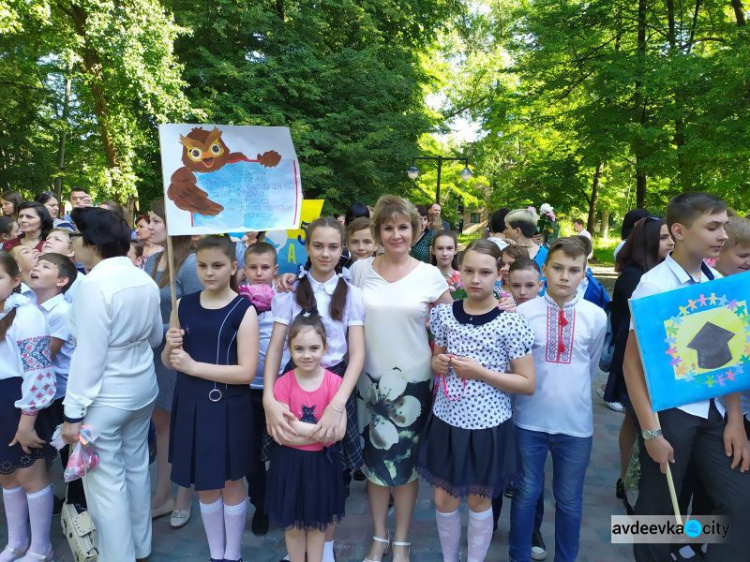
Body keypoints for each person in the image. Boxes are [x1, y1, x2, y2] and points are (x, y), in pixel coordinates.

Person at [623, 193, 750, 562]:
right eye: (713, 227)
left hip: (714, 413)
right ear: (678, 231)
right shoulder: (654, 285)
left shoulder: (714, 278)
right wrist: (651, 433)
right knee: (658, 514)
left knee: (740, 501)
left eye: (725, 225)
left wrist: (735, 420)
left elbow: (726, 354)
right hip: (670, 416)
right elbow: (632, 366)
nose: (723, 235)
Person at [417, 239, 536, 562]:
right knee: (443, 500)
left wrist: (481, 372)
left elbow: (527, 383)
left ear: (500, 274)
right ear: (459, 270)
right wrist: (437, 364)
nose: (475, 279)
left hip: (488, 425)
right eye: (468, 270)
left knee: (479, 501)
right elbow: (436, 360)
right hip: (446, 421)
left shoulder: (510, 322)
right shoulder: (444, 315)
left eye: (485, 272)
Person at [349, 195, 452, 562]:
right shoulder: (360, 270)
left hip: (413, 385)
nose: (396, 234)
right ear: (377, 232)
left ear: (416, 229)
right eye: (388, 227)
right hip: (368, 383)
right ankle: (379, 536)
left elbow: (452, 323)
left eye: (403, 227)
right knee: (374, 466)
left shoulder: (429, 274)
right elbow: (328, 296)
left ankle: (403, 540)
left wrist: (503, 302)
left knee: (404, 467)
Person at [60, 207, 162, 561]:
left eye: (75, 236)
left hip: (106, 395)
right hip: (142, 387)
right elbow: (154, 336)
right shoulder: (142, 278)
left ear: (92, 242)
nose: (73, 243)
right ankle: (140, 546)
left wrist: (72, 412)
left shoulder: (93, 285)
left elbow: (88, 356)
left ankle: (117, 555)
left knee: (105, 482)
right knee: (135, 468)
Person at [265, 217, 365, 562]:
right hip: (296, 380)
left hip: (336, 383)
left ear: (343, 250)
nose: (325, 253)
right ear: (307, 248)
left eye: (333, 247)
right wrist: (268, 398)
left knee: (331, 467)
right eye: (318, 246)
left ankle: (324, 549)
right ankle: (298, 552)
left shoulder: (351, 294)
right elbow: (277, 347)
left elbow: (358, 353)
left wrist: (338, 403)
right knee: (294, 452)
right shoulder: (291, 291)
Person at [509, 237, 607, 562]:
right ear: (545, 270)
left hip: (575, 425)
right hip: (528, 420)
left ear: (584, 274)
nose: (565, 276)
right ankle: (518, 555)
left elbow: (590, 365)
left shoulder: (595, 316)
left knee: (569, 500)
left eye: (574, 270)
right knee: (525, 494)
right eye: (558, 267)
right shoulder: (524, 313)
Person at [162, 235, 259, 562]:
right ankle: (216, 554)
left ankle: (233, 554)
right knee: (205, 482)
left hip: (228, 406)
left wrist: (193, 366)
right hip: (190, 404)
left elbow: (246, 372)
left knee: (231, 481)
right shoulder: (182, 304)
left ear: (234, 267)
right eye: (202, 265)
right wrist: (169, 345)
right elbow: (168, 362)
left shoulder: (243, 309)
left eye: (218, 265)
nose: (209, 272)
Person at [600, 216, 673, 510]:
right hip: (636, 359)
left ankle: (630, 478)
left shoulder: (658, 272)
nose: (671, 243)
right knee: (635, 417)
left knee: (636, 418)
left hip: (652, 359)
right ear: (649, 241)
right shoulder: (636, 277)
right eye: (665, 237)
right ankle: (626, 478)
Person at [266, 312, 346, 562]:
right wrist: (321, 434)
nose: (307, 354)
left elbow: (339, 432)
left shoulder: (335, 383)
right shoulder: (283, 383)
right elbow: (280, 433)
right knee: (293, 527)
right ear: (289, 349)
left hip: (321, 467)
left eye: (313, 348)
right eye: (299, 348)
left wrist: (303, 431)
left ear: (325, 347)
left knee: (316, 526)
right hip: (289, 466)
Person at [143, 198, 199, 527]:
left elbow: (195, 316)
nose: (148, 226)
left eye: (155, 221)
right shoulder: (150, 261)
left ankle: (183, 495)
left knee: (182, 428)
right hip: (152, 357)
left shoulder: (191, 263)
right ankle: (162, 493)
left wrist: (156, 329)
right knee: (162, 426)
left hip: (180, 355)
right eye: (148, 220)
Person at [0, 252, 57, 562]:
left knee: (30, 477)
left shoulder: (26, 315)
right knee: (7, 477)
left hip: (19, 400)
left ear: (14, 281)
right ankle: (16, 543)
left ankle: (41, 547)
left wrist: (27, 419)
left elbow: (39, 371)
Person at [492, 257, 548, 559]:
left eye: (530, 286)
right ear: (505, 286)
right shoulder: (498, 313)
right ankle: (489, 521)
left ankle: (531, 530)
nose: (523, 292)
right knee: (498, 468)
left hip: (534, 407)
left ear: (541, 285)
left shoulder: (543, 314)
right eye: (516, 286)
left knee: (530, 475)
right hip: (501, 405)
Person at [27, 252, 85, 508]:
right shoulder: (28, 306)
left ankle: (77, 505)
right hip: (40, 389)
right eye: (37, 264)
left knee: (66, 450)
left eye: (46, 266)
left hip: (60, 392)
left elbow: (46, 353)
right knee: (44, 447)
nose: (36, 267)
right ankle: (48, 498)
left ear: (61, 280)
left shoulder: (62, 311)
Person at [239, 241, 284, 536]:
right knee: (251, 454)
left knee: (282, 449)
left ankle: (283, 499)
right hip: (245, 388)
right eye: (253, 267)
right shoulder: (236, 300)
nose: (258, 273)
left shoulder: (285, 298)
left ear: (275, 270)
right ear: (244, 269)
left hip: (279, 388)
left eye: (265, 267)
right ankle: (261, 504)